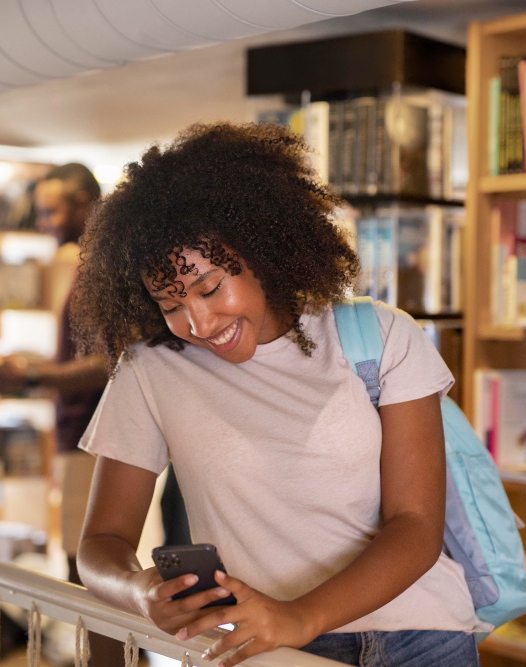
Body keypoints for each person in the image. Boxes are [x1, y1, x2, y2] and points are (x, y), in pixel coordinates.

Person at [70, 123, 487, 667]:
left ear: (262, 251)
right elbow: (100, 543)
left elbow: (415, 527)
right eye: (172, 304)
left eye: (211, 287)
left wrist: (299, 616)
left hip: (418, 637)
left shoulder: (381, 337)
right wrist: (140, 592)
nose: (199, 321)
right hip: (266, 646)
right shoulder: (152, 371)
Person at [0, 164, 123, 665]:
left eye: (52, 209)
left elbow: (112, 361)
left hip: (95, 434)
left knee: (89, 567)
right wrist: (37, 369)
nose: (43, 221)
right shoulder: (89, 265)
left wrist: (32, 378)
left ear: (86, 204)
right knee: (81, 564)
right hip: (80, 432)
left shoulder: (105, 268)